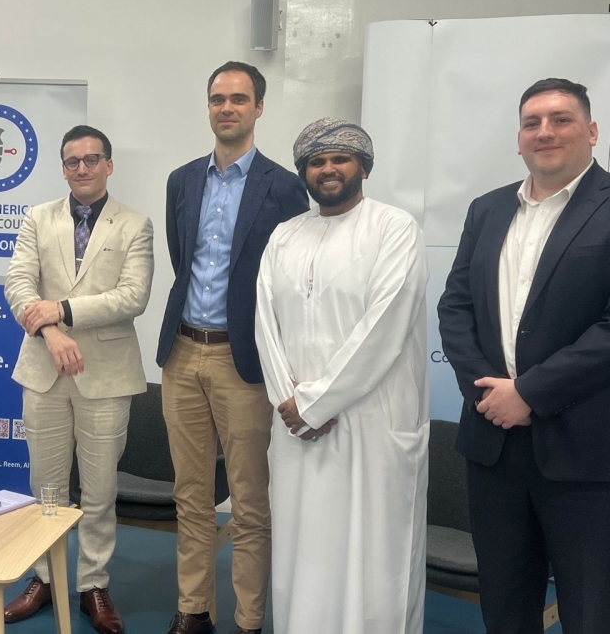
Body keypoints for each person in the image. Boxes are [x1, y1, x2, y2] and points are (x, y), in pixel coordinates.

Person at [438, 78, 610, 634]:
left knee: (591, 609)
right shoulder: (486, 210)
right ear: (518, 138)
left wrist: (530, 394)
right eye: (532, 122)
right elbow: (455, 306)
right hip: (493, 446)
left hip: (585, 450)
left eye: (560, 119)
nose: (545, 132)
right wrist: (490, 395)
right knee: (506, 604)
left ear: (591, 131)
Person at [255, 118, 429, 633]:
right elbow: (265, 323)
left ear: (363, 166)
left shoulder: (395, 228)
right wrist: (291, 400)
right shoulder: (285, 235)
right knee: (302, 549)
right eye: (316, 160)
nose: (327, 169)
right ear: (303, 172)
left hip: (369, 422)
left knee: (372, 553)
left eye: (340, 158)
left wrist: (317, 403)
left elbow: (387, 323)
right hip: (295, 427)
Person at [156, 61, 308, 634]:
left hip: (244, 362)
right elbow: (182, 258)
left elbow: (290, 277)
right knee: (190, 495)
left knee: (248, 502)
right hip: (182, 354)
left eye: (238, 99)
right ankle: (194, 610)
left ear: (258, 108)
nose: (227, 108)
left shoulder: (286, 186)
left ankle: (248, 621)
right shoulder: (182, 179)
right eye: (218, 98)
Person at [3, 125, 154, 634]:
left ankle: (93, 584)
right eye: (73, 161)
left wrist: (63, 309)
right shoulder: (36, 218)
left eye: (92, 160)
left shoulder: (134, 224)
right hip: (44, 373)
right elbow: (17, 285)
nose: (82, 169)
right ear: (63, 168)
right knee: (45, 489)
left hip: (105, 376)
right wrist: (51, 331)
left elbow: (133, 297)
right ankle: (43, 576)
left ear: (109, 165)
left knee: (99, 491)